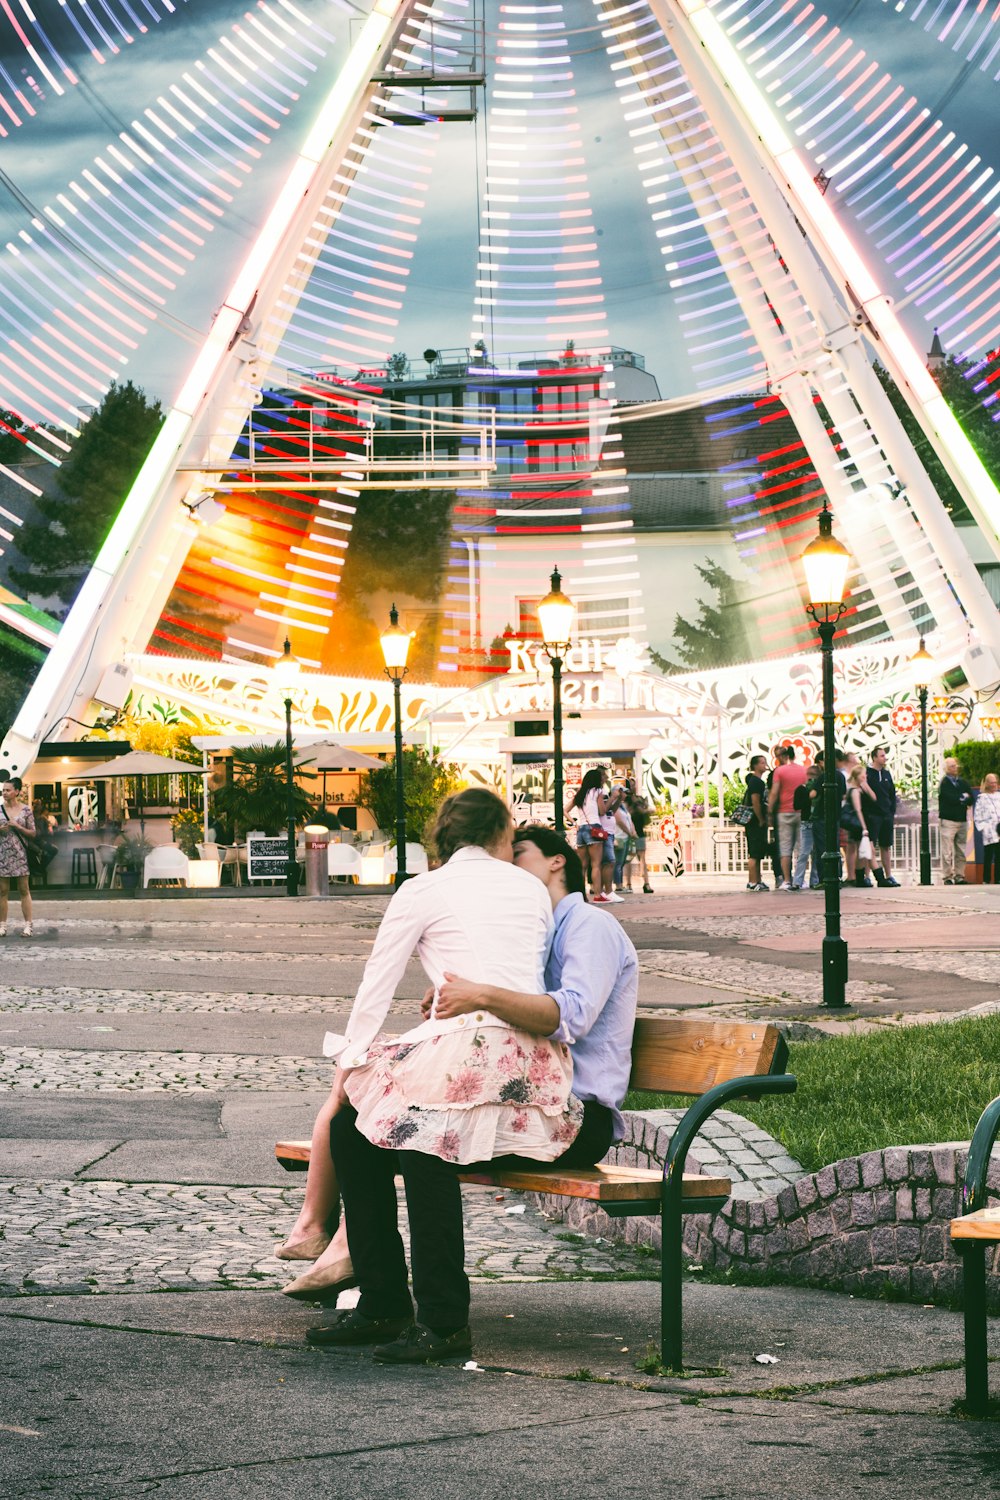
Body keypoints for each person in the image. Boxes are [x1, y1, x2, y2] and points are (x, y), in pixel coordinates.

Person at [303, 824, 638, 1366]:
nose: (500, 862)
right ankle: (382, 1300)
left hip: (574, 1117)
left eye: (514, 853)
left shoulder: (589, 926)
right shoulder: (524, 930)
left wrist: (484, 994)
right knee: (354, 1131)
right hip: (509, 1103)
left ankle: (443, 1321)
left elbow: (569, 1017)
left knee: (425, 1141)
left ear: (557, 862)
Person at [566, 768, 624, 905]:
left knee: (582, 866)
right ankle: (598, 895)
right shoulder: (598, 791)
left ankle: (580, 896)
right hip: (595, 828)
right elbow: (603, 811)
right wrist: (612, 799)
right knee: (596, 864)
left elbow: (565, 810)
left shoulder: (579, 794)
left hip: (581, 830)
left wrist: (575, 823)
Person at [767, 744, 807, 891]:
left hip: (783, 812)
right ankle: (800, 879)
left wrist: (770, 810)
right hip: (801, 812)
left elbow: (774, 792)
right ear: (794, 755)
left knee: (785, 848)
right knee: (801, 848)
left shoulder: (779, 771)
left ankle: (787, 880)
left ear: (783, 756)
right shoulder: (804, 770)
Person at [0, 777, 35, 937]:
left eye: (7, 790)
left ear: (17, 792)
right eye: (3, 790)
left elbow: (33, 833)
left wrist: (18, 826)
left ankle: (28, 925)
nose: (4, 792)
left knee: (23, 889)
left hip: (21, 855)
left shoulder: (26, 810)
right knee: (2, 891)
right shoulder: (0, 809)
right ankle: (2, 925)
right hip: (3, 854)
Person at [810, 750, 847, 886]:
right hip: (835, 816)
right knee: (835, 847)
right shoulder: (841, 776)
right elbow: (843, 795)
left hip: (821, 816)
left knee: (822, 848)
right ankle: (837, 876)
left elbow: (812, 794)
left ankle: (824, 879)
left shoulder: (823, 777)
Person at [865, 745, 900, 887]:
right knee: (870, 845)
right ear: (874, 757)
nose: (884, 758)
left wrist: (891, 811)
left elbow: (892, 793)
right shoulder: (867, 774)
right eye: (881, 755)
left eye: (884, 755)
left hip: (886, 815)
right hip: (872, 815)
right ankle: (867, 876)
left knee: (886, 845)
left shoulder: (886, 774)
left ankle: (889, 874)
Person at [938, 758, 972, 885]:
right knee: (947, 850)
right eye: (952, 766)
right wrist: (962, 798)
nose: (955, 767)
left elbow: (971, 798)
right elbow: (949, 798)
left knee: (961, 850)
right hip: (948, 820)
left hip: (962, 819)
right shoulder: (944, 783)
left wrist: (961, 798)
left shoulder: (962, 782)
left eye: (956, 765)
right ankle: (947, 876)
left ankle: (960, 875)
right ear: (946, 768)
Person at [792, 761, 822, 890]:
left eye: (814, 775)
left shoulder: (821, 788)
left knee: (817, 853)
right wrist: (808, 797)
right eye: (809, 774)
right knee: (804, 852)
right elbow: (797, 805)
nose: (811, 777)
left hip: (817, 821)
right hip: (806, 822)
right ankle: (797, 881)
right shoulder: (801, 789)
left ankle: (814, 880)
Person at [842, 763, 872, 887]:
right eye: (863, 775)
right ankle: (859, 877)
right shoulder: (854, 791)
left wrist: (866, 786)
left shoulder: (859, 789)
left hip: (856, 823)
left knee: (857, 849)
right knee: (861, 849)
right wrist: (864, 826)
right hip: (857, 824)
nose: (865, 777)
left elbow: (873, 798)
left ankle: (857, 876)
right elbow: (858, 809)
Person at [744, 754, 769, 892]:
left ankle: (756, 879)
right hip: (754, 821)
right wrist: (761, 819)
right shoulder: (756, 782)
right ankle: (753, 881)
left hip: (754, 821)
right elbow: (755, 802)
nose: (764, 765)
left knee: (758, 851)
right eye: (761, 763)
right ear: (755, 765)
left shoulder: (757, 781)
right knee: (754, 852)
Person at [626, 780, 654, 894]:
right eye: (631, 785)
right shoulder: (626, 800)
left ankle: (646, 883)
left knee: (641, 858)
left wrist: (644, 809)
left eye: (634, 785)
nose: (633, 787)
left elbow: (648, 809)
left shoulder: (638, 799)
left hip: (639, 831)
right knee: (629, 859)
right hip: (628, 832)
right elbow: (630, 813)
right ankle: (628, 884)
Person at [973, 773, 1000, 885]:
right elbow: (977, 815)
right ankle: (986, 879)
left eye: (995, 782)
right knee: (988, 856)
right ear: (987, 783)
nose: (994, 785)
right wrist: (983, 827)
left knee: (999, 856)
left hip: (999, 830)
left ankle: (998, 879)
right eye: (991, 782)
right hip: (989, 831)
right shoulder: (982, 798)